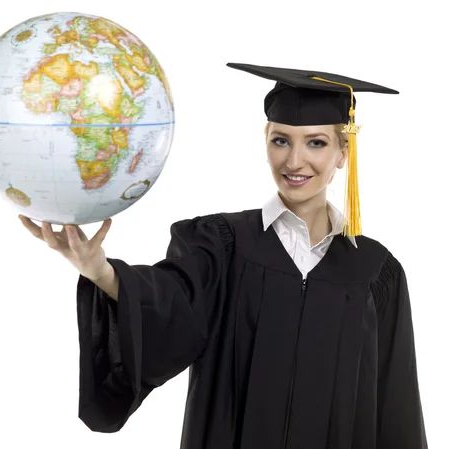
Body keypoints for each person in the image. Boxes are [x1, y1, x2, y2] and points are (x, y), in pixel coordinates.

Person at [21, 62, 428, 449]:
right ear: (265, 141)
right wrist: (102, 272)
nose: (294, 160)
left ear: (344, 153)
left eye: (316, 143)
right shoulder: (222, 244)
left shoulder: (376, 272)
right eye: (280, 140)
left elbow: (396, 406)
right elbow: (170, 302)